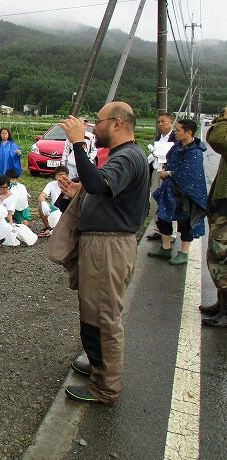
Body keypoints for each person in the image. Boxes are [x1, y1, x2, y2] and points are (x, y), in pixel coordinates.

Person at [58, 101, 149, 404]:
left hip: (109, 246)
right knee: (93, 310)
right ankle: (99, 367)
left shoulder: (129, 156)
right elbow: (100, 190)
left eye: (97, 122)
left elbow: (98, 183)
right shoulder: (126, 156)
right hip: (102, 244)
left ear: (118, 123)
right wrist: (77, 192)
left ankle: (106, 387)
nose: (93, 128)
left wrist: (77, 143)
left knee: (104, 316)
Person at [149, 118, 208, 265]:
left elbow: (188, 173)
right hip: (171, 189)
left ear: (188, 132)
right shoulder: (176, 147)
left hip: (186, 193)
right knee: (163, 217)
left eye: (179, 129)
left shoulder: (195, 152)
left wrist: (168, 173)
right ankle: (166, 248)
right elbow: (170, 161)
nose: (176, 132)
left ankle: (184, 253)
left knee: (185, 222)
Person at [202, 106, 227, 326]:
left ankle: (226, 310)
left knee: (221, 255)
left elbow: (219, 139)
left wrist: (223, 118)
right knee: (218, 253)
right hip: (222, 202)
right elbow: (214, 135)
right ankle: (222, 302)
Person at [38, 165, 69, 236]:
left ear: (67, 176)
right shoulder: (51, 184)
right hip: (54, 208)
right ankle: (48, 227)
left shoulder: (70, 184)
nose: (61, 176)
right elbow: (41, 196)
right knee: (40, 204)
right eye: (58, 175)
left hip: (66, 210)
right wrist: (43, 202)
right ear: (55, 176)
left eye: (63, 175)